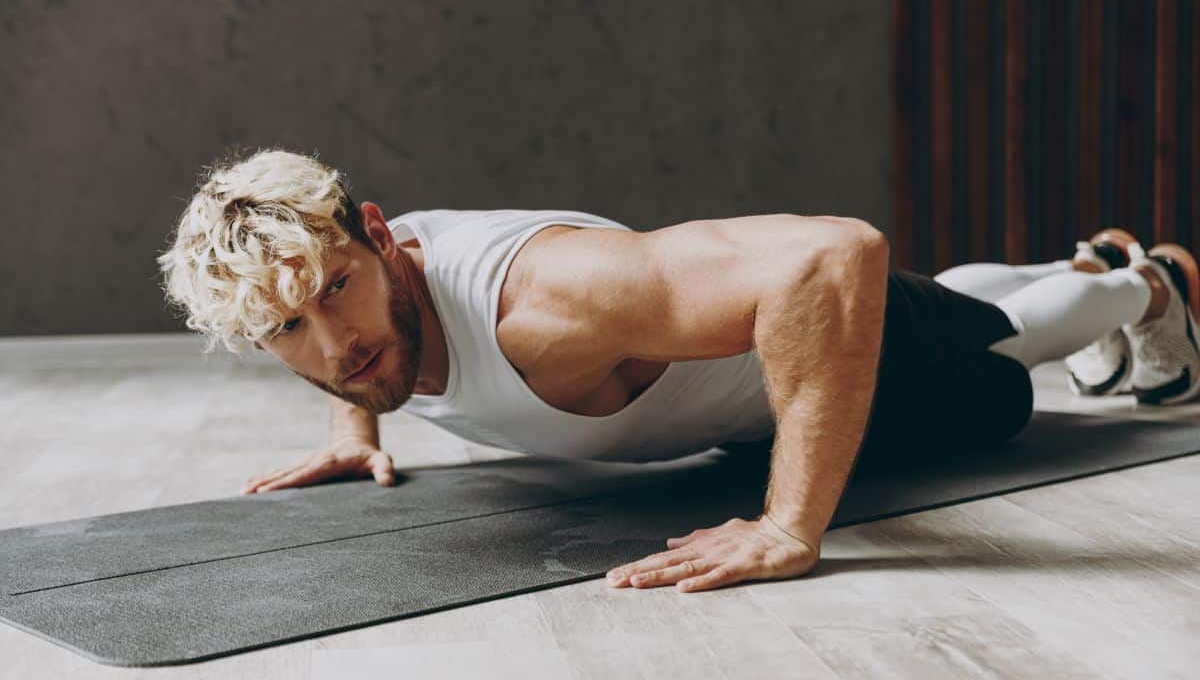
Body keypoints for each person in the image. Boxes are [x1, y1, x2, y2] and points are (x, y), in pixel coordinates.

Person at [157, 148, 1200, 593]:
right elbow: (344, 345)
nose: (332, 347)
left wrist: (791, 525)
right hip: (766, 383)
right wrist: (355, 428)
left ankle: (1145, 289)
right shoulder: (355, 302)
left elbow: (837, 258)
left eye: (336, 289)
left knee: (1000, 358)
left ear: (381, 237)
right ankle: (1089, 264)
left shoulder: (548, 301)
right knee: (950, 298)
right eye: (286, 328)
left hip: (839, 370)